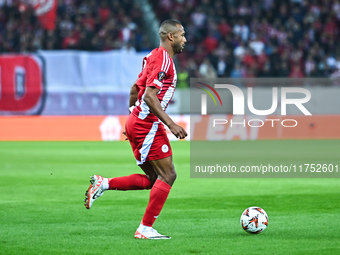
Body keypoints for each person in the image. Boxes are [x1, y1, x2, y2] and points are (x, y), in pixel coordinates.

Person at [84, 19, 187, 240]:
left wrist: (133, 115)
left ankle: (103, 184)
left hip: (138, 122)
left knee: (153, 179)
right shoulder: (165, 62)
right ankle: (145, 228)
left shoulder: (152, 56)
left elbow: (135, 88)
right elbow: (149, 96)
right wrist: (171, 124)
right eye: (182, 35)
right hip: (147, 124)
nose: (184, 40)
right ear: (171, 37)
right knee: (168, 175)